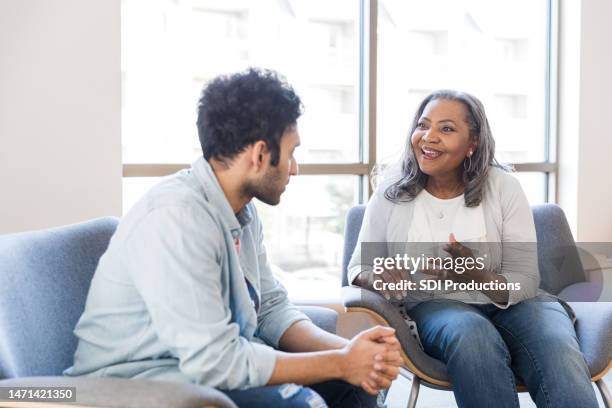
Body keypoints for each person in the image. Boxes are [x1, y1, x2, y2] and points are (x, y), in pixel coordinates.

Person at [64, 68, 403, 408]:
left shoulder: (241, 209)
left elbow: (270, 307)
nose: (294, 168)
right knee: (301, 404)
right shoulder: (177, 219)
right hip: (135, 384)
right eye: (290, 153)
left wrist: (349, 352)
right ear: (259, 155)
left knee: (356, 387)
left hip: (199, 371)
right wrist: (343, 362)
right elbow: (216, 362)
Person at [348, 90, 598, 408]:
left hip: (518, 303)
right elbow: (358, 267)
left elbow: (526, 278)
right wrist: (378, 276)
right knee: (473, 336)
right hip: (435, 305)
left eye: (446, 129)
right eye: (423, 125)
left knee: (556, 344)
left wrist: (475, 273)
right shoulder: (391, 191)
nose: (429, 137)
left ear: (472, 144)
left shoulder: (504, 186)